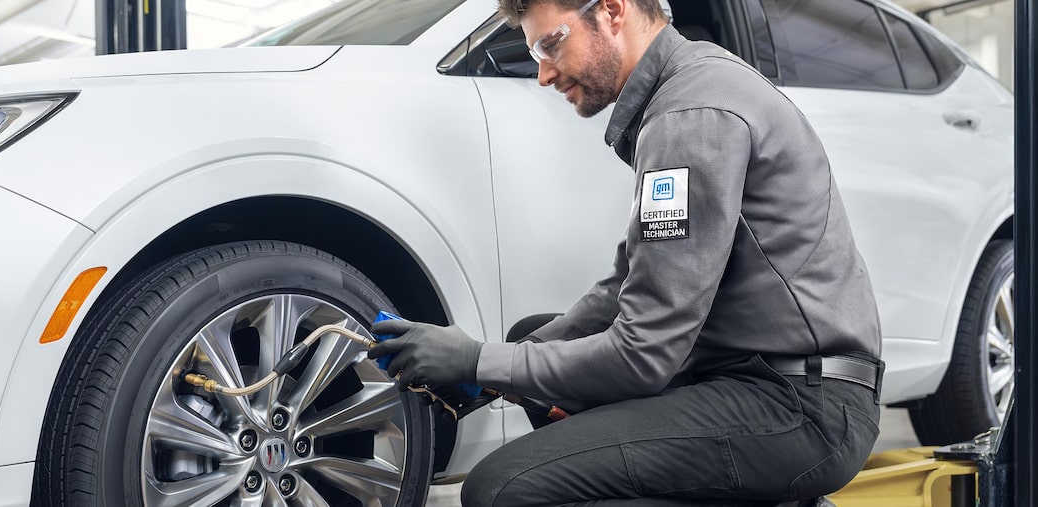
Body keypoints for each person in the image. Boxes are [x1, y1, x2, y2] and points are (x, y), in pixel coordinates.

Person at [367, 0, 884, 504]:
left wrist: (479, 360)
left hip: (799, 406)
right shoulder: (684, 89)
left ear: (612, 11)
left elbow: (645, 353)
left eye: (551, 45)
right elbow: (624, 288)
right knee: (533, 337)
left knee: (501, 489)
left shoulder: (690, 115)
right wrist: (493, 375)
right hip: (751, 374)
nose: (543, 74)